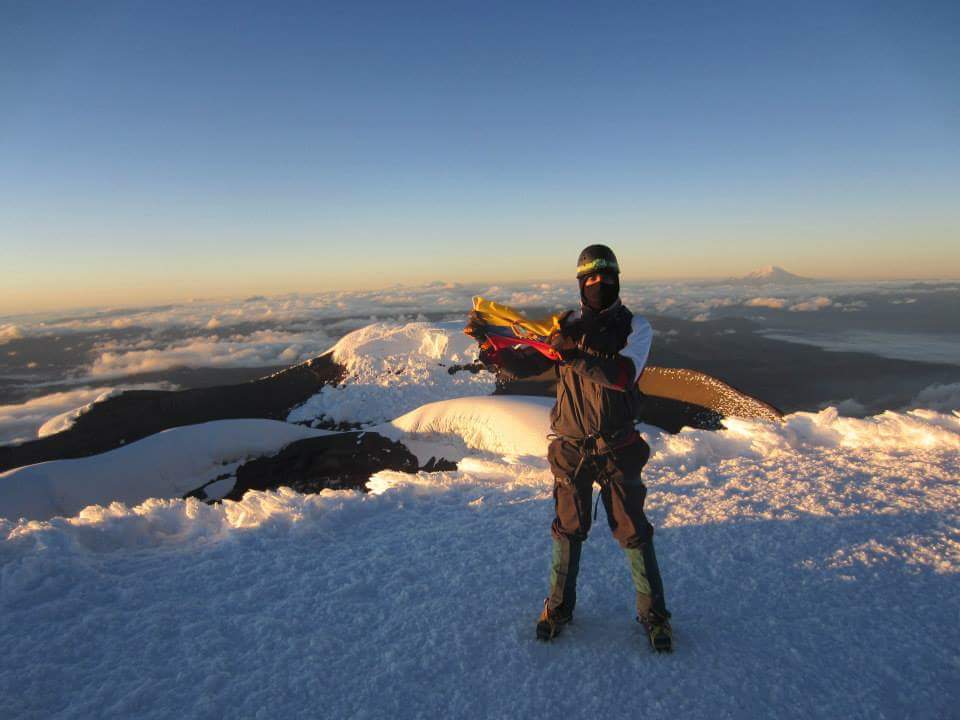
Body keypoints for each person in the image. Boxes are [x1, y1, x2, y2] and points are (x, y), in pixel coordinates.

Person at [469, 245, 672, 651]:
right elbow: (527, 364)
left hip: (617, 445)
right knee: (567, 529)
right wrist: (491, 346)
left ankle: (655, 617)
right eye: (591, 278)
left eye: (606, 276)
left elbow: (623, 375)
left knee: (633, 531)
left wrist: (573, 353)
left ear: (618, 278)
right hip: (570, 446)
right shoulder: (565, 325)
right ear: (581, 283)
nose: (600, 284)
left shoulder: (637, 327)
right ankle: (558, 608)